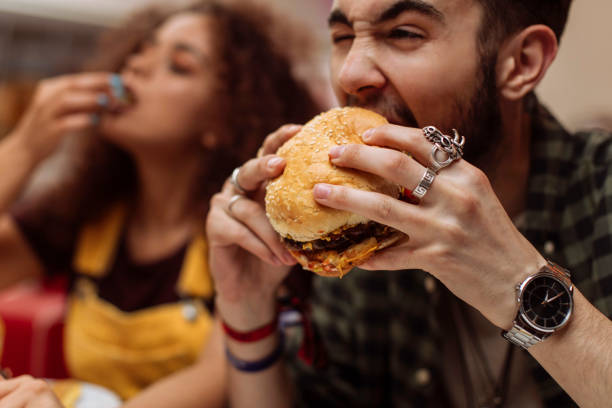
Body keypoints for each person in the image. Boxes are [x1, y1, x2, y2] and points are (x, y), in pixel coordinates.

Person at [206, 0, 612, 406]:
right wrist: (248, 313)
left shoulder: (601, 188)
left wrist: (516, 281)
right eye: (343, 37)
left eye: (404, 33)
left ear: (521, 62)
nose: (349, 75)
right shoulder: (361, 234)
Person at [0, 0, 320, 406]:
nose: (136, 67)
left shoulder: (243, 229)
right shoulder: (90, 213)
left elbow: (218, 379)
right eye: (141, 51)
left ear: (223, 119)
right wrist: (24, 148)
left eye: (179, 65)